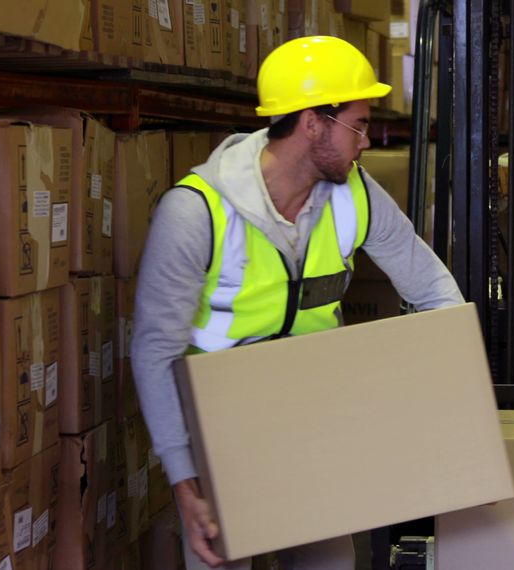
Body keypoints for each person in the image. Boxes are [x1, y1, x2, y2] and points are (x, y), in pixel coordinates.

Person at [131, 36, 464, 570]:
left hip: (316, 415)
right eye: (358, 124)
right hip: (223, 428)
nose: (366, 142)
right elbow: (153, 350)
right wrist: (183, 476)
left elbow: (433, 290)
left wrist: (460, 419)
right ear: (313, 123)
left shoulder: (354, 192)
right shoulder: (195, 212)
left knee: (331, 561)